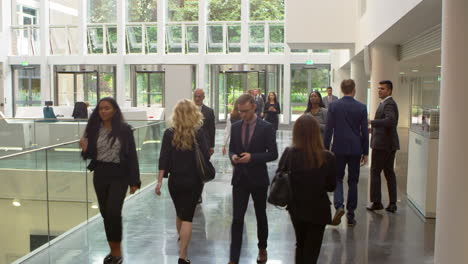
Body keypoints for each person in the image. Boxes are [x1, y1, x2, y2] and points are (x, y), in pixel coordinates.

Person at [80, 97, 140, 264]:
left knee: (113, 212)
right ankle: (112, 249)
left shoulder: (124, 130)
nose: (103, 111)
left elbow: (132, 156)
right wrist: (85, 149)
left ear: (114, 110)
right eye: (100, 109)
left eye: (107, 108)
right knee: (106, 213)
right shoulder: (93, 129)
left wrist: (134, 181)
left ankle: (117, 251)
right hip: (100, 174)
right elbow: (90, 155)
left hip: (119, 175)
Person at [155, 99, 210, 264]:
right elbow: (206, 156)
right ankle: (183, 255)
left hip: (175, 181)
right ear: (194, 113)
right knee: (187, 217)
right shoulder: (198, 133)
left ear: (176, 114)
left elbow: (163, 159)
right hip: (193, 181)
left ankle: (181, 244)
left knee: (180, 213)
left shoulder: (168, 133)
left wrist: (159, 182)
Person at [228, 94, 278, 264]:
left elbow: (273, 153)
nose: (242, 115)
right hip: (240, 178)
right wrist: (233, 157)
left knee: (260, 215)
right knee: (237, 218)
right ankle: (234, 258)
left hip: (258, 178)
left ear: (254, 107)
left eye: (246, 111)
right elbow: (232, 149)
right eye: (240, 111)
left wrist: (252, 157)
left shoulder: (266, 127)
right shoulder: (235, 127)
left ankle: (262, 248)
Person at [279, 114, 336, 264]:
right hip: (318, 210)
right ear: (317, 132)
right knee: (312, 249)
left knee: (300, 244)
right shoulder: (327, 157)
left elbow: (280, 176)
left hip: (296, 208)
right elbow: (331, 186)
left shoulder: (289, 154)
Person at [323, 79, 369, 227]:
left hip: (339, 147)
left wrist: (325, 149)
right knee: (353, 181)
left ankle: (339, 206)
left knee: (337, 178)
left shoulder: (334, 106)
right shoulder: (361, 107)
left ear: (342, 90)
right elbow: (364, 132)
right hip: (355, 148)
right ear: (354, 89)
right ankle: (351, 214)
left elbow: (329, 129)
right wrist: (365, 151)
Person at [367, 80, 400, 213]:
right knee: (389, 173)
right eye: (378, 88)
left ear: (389, 91)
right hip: (387, 144)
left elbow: (390, 121)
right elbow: (386, 123)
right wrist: (373, 129)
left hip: (383, 145)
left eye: (382, 89)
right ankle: (392, 203)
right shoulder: (386, 103)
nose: (379, 90)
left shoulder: (389, 103)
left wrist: (372, 122)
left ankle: (377, 202)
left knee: (375, 172)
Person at [193, 88, 215, 204]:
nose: (197, 98)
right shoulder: (188, 109)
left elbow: (212, 129)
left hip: (204, 145)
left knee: (202, 168)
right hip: (190, 144)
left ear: (203, 97)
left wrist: (211, 146)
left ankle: (198, 194)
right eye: (195, 96)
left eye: (199, 96)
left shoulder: (209, 111)